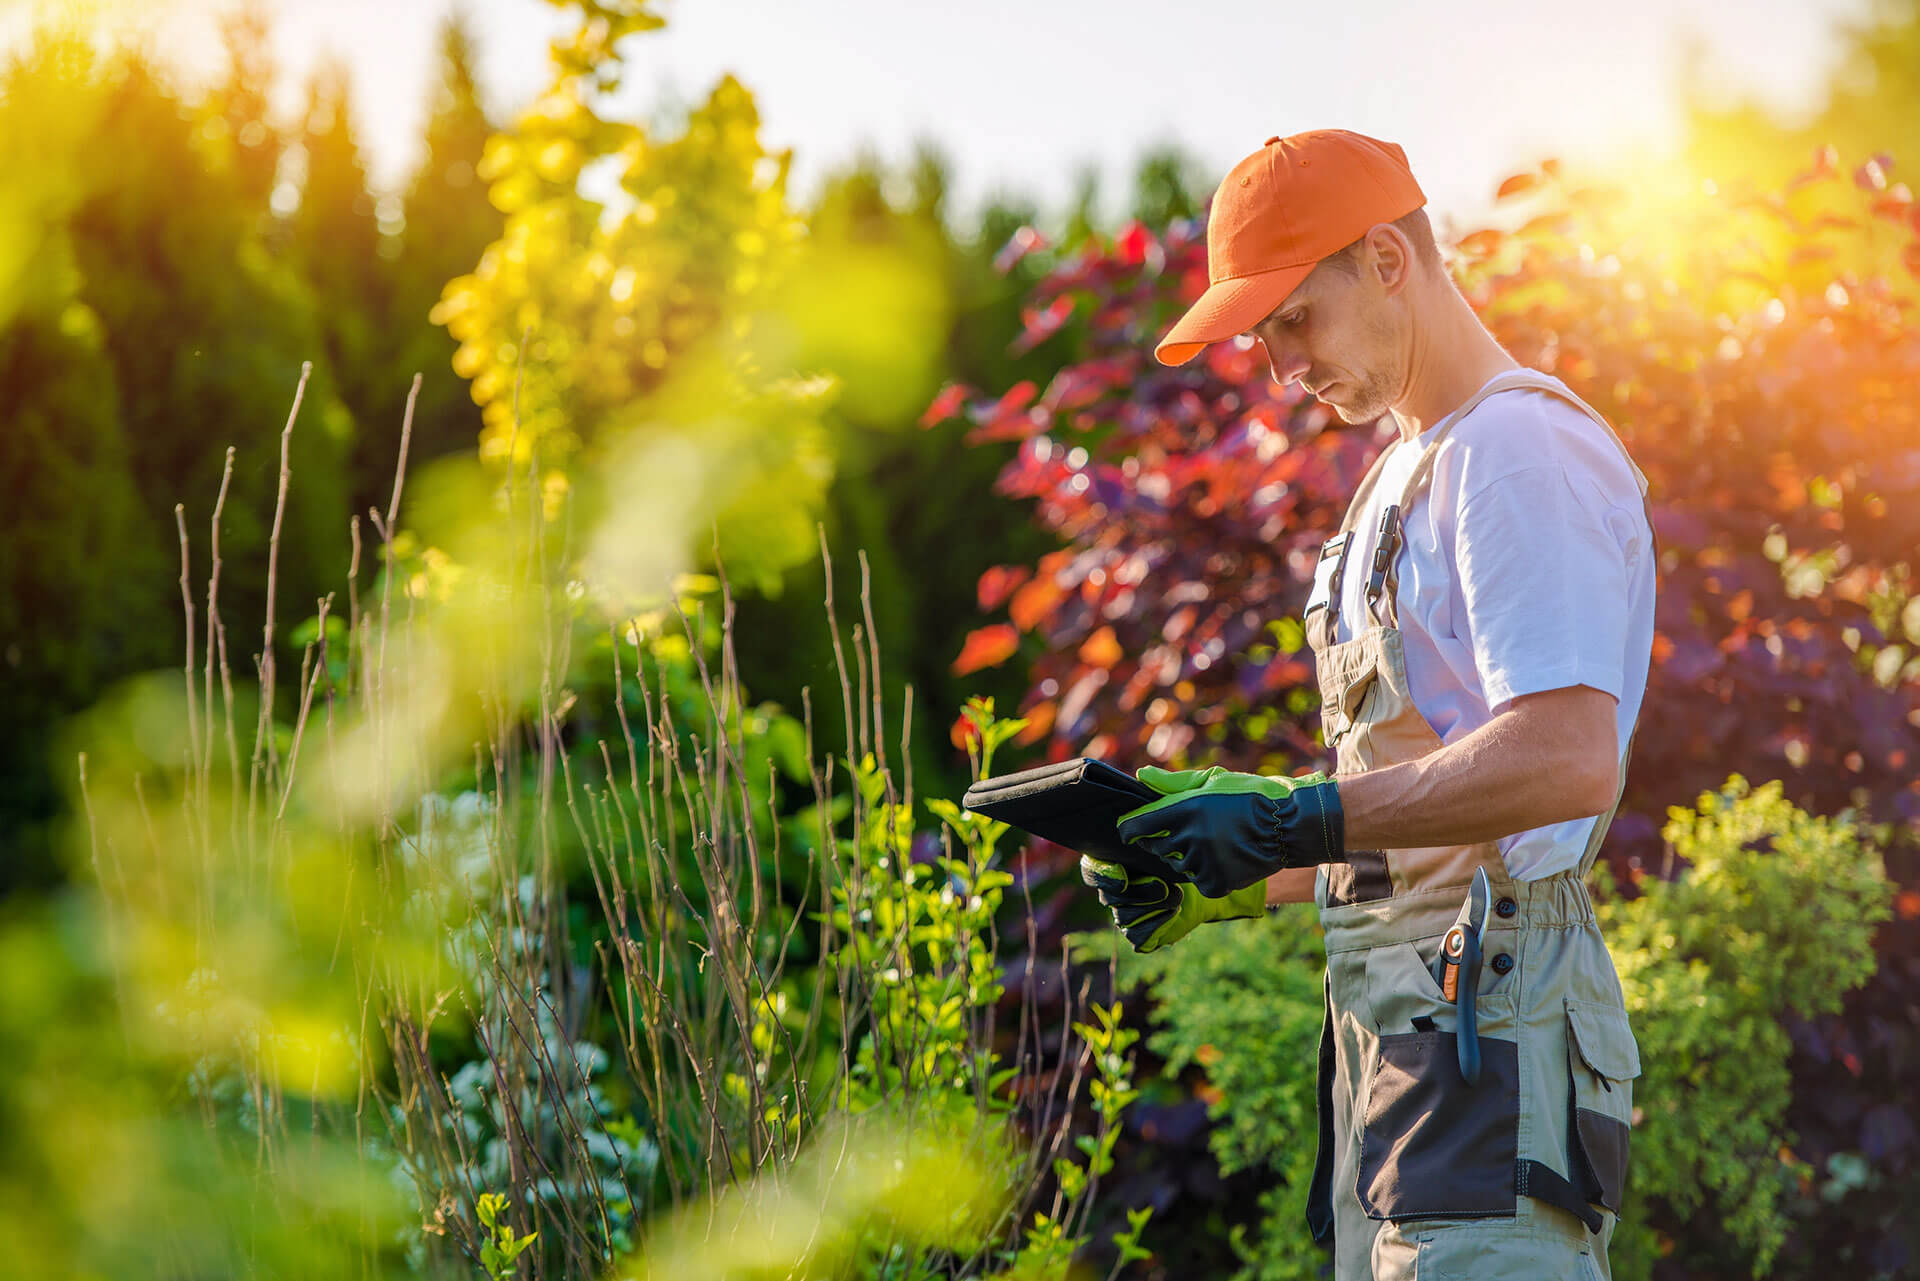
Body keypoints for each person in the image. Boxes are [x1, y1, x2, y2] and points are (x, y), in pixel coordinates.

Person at [1080, 129, 1656, 1280]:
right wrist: (1232, 863)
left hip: (1491, 1043)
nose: (1282, 365)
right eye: (1262, 336)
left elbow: (1567, 756)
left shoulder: (1516, 452)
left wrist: (1298, 816)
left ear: (1388, 260)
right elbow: (1408, 814)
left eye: (1296, 318)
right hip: (1400, 1060)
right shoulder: (1404, 473)